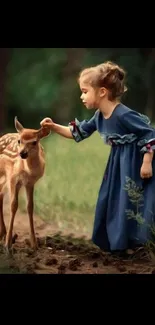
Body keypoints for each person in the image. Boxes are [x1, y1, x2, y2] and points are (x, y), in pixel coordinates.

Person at [40, 61, 155, 253]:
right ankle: (119, 244)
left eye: (85, 91)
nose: (81, 96)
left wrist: (147, 162)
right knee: (113, 200)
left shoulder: (123, 115)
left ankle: (138, 244)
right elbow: (77, 133)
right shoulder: (99, 116)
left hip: (136, 163)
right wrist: (53, 126)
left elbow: (149, 133)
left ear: (102, 92)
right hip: (118, 165)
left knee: (132, 201)